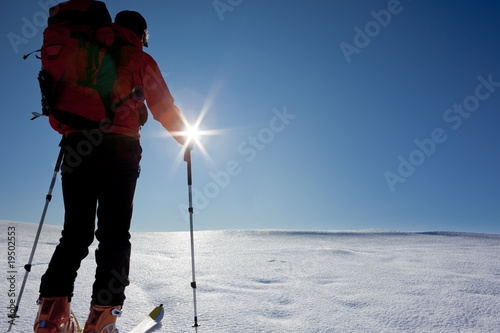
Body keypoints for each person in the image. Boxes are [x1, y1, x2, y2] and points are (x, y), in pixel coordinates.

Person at [34, 9, 188, 333]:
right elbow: (164, 107)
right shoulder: (139, 59)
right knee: (114, 236)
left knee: (74, 234)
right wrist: (186, 139)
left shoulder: (86, 49)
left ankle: (50, 317)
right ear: (141, 34)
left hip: (76, 149)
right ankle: (102, 320)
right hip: (119, 151)